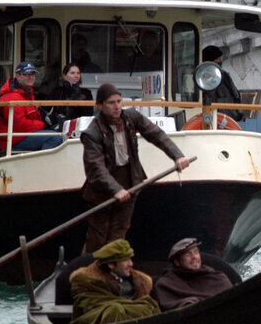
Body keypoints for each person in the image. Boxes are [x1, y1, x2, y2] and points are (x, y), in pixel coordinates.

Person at [81, 83, 191, 254]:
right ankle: (86, 273)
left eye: (119, 101)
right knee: (97, 238)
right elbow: (96, 168)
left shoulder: (131, 117)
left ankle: (111, 273)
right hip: (101, 191)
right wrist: (116, 189)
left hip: (131, 182)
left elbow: (157, 135)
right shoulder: (92, 133)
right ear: (99, 106)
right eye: (111, 103)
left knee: (118, 235)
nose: (117, 106)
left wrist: (177, 155)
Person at [69, 239, 160, 324]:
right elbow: (94, 305)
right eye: (126, 260)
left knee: (150, 304)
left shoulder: (138, 282)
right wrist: (139, 307)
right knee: (114, 310)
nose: (131, 264)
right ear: (111, 264)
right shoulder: (86, 281)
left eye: (130, 259)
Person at [0, 61, 62, 151]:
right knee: (54, 138)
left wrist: (48, 120)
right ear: (18, 76)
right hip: (12, 139)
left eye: (33, 74)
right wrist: (43, 124)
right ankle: (43, 164)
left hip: (22, 136)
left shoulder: (27, 94)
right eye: (27, 74)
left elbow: (33, 118)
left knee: (61, 134)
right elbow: (20, 125)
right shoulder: (12, 97)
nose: (31, 77)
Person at [151, 238, 234, 312]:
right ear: (177, 262)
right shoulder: (166, 284)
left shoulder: (217, 277)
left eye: (196, 252)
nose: (194, 257)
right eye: (188, 254)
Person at [200, 45, 245, 122]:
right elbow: (235, 95)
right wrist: (239, 113)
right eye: (218, 58)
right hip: (225, 116)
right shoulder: (223, 75)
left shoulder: (199, 75)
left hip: (211, 116)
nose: (221, 60)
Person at [45, 63, 93, 128]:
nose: (76, 75)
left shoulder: (86, 93)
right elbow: (44, 110)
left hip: (79, 127)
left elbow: (88, 115)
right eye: (72, 73)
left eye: (78, 73)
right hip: (59, 127)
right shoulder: (57, 91)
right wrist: (53, 118)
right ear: (64, 75)